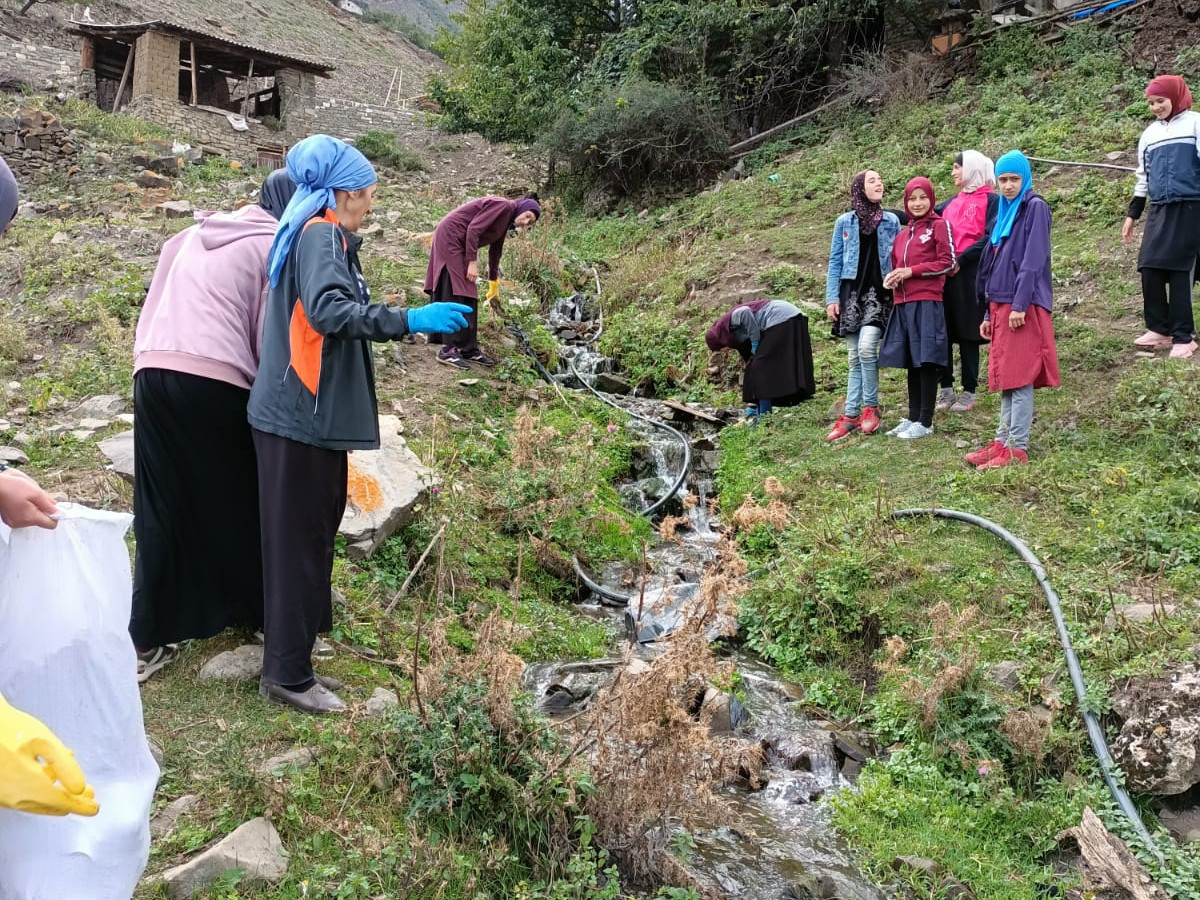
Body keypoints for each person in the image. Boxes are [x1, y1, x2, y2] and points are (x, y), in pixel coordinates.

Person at [248, 135, 470, 714]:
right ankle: (287, 676)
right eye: (369, 190)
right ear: (345, 192)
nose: (372, 201)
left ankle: (292, 658)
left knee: (306, 537)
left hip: (299, 415)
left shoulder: (318, 233)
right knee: (300, 544)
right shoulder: (320, 234)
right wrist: (409, 318)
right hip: (300, 416)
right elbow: (329, 312)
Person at [128, 169, 297, 682]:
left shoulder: (189, 234)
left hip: (152, 368)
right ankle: (260, 615)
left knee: (161, 502)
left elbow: (155, 300)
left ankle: (146, 640)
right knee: (244, 495)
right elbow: (269, 339)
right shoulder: (275, 243)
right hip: (215, 376)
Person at [966, 150, 1059, 470]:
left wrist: (1019, 304)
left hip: (1022, 305)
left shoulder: (1034, 208)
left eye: (1014, 179)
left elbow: (1034, 260)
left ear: (1026, 179)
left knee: (1019, 377)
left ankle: (1016, 448)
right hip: (1001, 303)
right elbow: (993, 264)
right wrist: (988, 313)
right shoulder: (1004, 212)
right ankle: (1001, 442)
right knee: (1006, 376)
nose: (1008, 186)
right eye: (1003, 179)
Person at [1123, 74, 1200, 359]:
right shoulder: (1149, 135)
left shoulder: (1195, 123)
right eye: (1151, 102)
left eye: (1161, 101)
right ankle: (1159, 328)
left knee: (1179, 269)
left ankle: (1184, 336)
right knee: (1149, 266)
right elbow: (1143, 176)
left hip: (1191, 205)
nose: (1156, 107)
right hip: (1160, 208)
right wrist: (1133, 214)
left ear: (1176, 97)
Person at [424, 193, 541, 370]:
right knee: (455, 288)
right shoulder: (505, 206)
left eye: (530, 223)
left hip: (460, 241)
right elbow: (473, 229)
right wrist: (472, 262)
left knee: (469, 292)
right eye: (527, 216)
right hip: (450, 236)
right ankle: (447, 349)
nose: (525, 223)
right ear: (522, 209)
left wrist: (494, 281)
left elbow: (496, 249)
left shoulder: (507, 219)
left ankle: (467, 349)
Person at [825, 170, 901, 441]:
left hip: (880, 294)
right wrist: (832, 298)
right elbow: (835, 261)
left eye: (880, 180)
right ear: (860, 188)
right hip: (850, 295)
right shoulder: (844, 222)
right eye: (872, 181)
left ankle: (871, 407)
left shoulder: (891, 221)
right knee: (853, 357)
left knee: (867, 348)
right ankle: (850, 415)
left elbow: (900, 256)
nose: (879, 183)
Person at [878, 177, 956, 439]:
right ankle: (912, 417)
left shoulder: (939, 226)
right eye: (912, 199)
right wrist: (892, 279)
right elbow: (897, 267)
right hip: (903, 303)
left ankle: (925, 420)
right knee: (911, 360)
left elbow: (948, 262)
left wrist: (912, 271)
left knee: (926, 360)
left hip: (927, 301)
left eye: (923, 197)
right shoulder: (902, 236)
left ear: (931, 199)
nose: (918, 203)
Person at [935, 150, 998, 413]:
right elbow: (925, 215)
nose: (953, 172)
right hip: (944, 274)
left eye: (957, 167)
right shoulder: (952, 202)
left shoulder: (992, 201)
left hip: (971, 273)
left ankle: (969, 391)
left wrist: (961, 259)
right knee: (944, 330)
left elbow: (990, 236)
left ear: (971, 168)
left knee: (968, 333)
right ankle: (946, 388)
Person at [705, 298, 814, 422]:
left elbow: (745, 312)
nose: (725, 351)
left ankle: (764, 415)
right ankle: (760, 409)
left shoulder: (727, 322)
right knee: (758, 367)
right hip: (789, 319)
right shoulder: (736, 337)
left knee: (760, 367)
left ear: (720, 339)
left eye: (721, 348)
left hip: (780, 316)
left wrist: (755, 341)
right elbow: (750, 363)